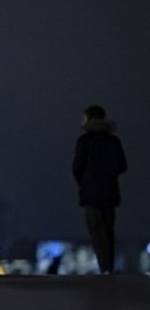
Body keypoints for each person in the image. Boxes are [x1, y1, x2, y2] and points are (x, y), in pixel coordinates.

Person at [72, 105, 127, 274]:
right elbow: (122, 166)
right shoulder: (113, 141)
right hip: (110, 193)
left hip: (91, 194)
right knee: (108, 231)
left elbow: (77, 167)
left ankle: (103, 267)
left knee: (96, 232)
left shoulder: (85, 141)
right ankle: (108, 267)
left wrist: (85, 181)